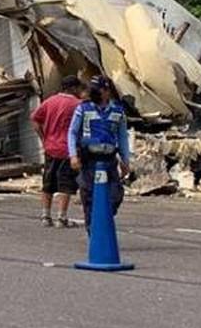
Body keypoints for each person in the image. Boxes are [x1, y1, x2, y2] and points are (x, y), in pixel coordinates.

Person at [68, 75, 130, 234]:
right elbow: (72, 132)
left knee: (115, 195)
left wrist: (126, 161)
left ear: (107, 91)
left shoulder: (118, 111)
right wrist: (73, 155)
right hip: (89, 159)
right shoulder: (83, 108)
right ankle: (93, 230)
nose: (94, 93)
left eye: (98, 90)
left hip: (109, 159)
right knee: (88, 196)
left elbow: (122, 137)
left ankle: (104, 218)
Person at [31, 75, 84, 227]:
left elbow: (35, 119)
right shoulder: (78, 105)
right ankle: (61, 217)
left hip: (50, 148)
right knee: (65, 184)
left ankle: (45, 215)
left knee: (48, 183)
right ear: (73, 88)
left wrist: (43, 138)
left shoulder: (50, 101)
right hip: (69, 150)